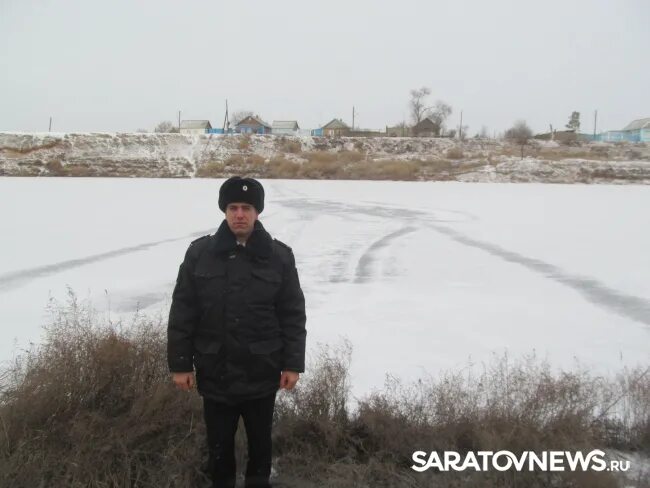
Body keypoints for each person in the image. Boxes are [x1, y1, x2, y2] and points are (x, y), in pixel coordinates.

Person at [167, 176, 307, 488]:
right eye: (233, 207)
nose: (239, 214)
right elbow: (183, 310)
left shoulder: (279, 256)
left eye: (246, 207)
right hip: (215, 373)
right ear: (224, 211)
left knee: (261, 449)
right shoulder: (199, 254)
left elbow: (292, 314)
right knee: (218, 452)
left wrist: (293, 364)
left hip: (262, 372)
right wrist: (180, 364)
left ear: (257, 212)